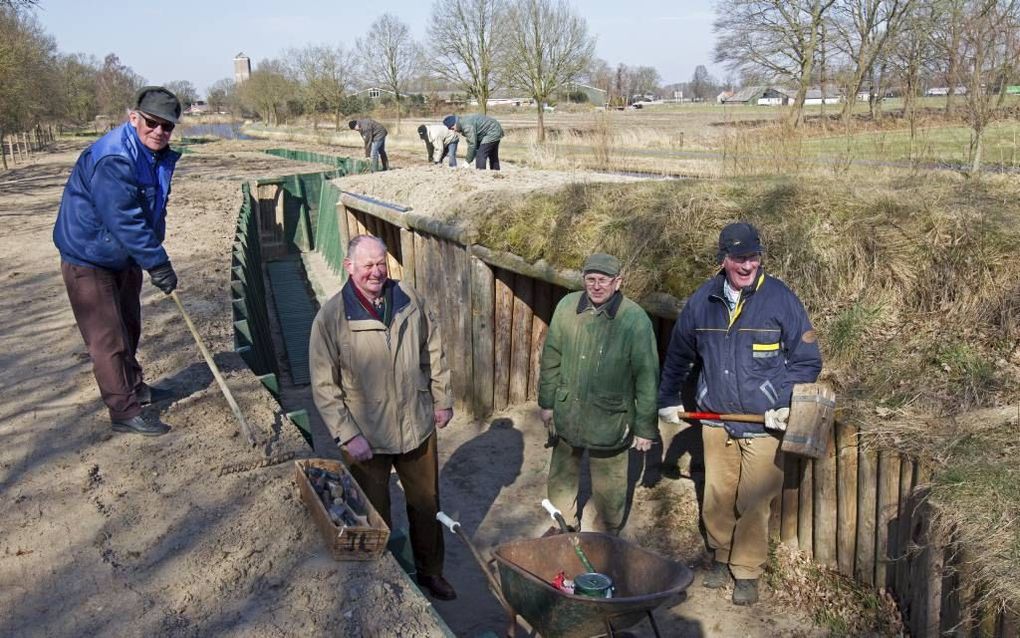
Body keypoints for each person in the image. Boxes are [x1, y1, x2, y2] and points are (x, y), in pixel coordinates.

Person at [658, 222, 822, 606]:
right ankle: (721, 555)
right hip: (715, 420)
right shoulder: (702, 302)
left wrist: (780, 400)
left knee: (754, 500)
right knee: (716, 494)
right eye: (738, 258)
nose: (746, 265)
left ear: (760, 257)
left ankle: (746, 571)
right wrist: (667, 398)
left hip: (764, 424)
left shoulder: (780, 299)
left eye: (752, 257)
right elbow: (680, 355)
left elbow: (807, 360)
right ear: (723, 260)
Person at [309, 235, 456, 601]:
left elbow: (432, 351)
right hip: (366, 436)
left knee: (426, 505)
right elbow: (324, 386)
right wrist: (346, 435)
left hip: (416, 424)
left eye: (381, 264)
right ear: (349, 267)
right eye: (367, 266)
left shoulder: (410, 299)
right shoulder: (331, 317)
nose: (376, 272)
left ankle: (431, 571)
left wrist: (442, 399)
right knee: (374, 513)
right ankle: (387, 584)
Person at [53, 86, 183, 437]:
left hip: (122, 255)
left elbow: (152, 211)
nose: (159, 131)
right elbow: (124, 217)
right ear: (134, 118)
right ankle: (123, 410)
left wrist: (149, 251)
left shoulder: (156, 155)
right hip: (89, 257)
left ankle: (135, 388)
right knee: (107, 339)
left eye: (167, 126)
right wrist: (157, 262)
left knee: (128, 326)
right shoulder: (115, 158)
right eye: (152, 123)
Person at [537, 253, 660, 535]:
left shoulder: (634, 320)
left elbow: (647, 376)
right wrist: (547, 403)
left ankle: (607, 535)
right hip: (569, 411)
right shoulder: (567, 307)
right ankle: (563, 525)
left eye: (603, 280)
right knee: (561, 476)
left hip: (611, 419)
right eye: (590, 279)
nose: (596, 286)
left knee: (611, 484)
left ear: (618, 282)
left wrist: (644, 428)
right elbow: (551, 357)